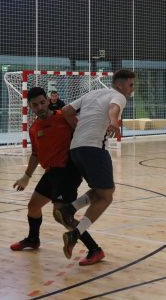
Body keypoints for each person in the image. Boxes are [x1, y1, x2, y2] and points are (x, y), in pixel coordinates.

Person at [10, 86, 104, 266]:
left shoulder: (64, 117)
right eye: (35, 105)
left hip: (69, 171)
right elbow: (36, 154)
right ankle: (33, 239)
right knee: (33, 207)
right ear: (30, 107)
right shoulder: (34, 128)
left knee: (61, 214)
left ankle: (95, 249)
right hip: (51, 172)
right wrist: (26, 176)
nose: (40, 107)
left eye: (42, 102)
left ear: (48, 101)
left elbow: (85, 134)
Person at [55, 69, 135, 259]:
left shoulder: (92, 93)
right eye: (130, 85)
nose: (132, 89)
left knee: (102, 191)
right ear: (120, 85)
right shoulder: (118, 96)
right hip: (93, 149)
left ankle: (70, 209)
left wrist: (78, 127)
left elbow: (66, 111)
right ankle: (74, 233)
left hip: (76, 149)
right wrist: (114, 121)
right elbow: (113, 109)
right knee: (107, 197)